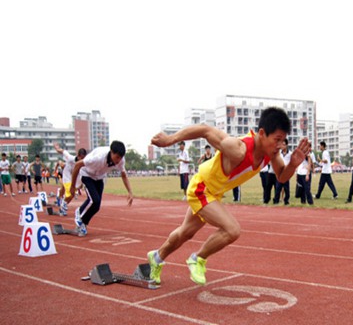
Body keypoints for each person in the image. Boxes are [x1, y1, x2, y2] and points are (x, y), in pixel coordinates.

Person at [146, 107, 310, 286]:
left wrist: (293, 165)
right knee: (232, 230)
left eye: (283, 141)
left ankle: (156, 257)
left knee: (186, 233)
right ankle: (197, 259)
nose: (279, 145)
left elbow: (281, 176)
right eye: (277, 140)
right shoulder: (239, 148)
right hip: (201, 188)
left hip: (214, 193)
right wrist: (171, 139)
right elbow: (205, 129)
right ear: (262, 133)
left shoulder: (270, 154)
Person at [70, 141, 133, 236]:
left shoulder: (120, 161)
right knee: (94, 200)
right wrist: (72, 186)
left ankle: (83, 222)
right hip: (87, 174)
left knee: (97, 205)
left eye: (120, 158)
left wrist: (130, 192)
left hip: (100, 177)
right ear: (111, 152)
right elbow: (77, 165)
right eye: (117, 157)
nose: (118, 160)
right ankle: (79, 214)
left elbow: (123, 175)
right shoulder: (97, 158)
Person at [53, 143, 87, 216]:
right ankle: (63, 206)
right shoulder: (70, 158)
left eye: (84, 158)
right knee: (70, 193)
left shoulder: (84, 163)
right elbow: (62, 151)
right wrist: (56, 148)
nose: (82, 160)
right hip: (67, 176)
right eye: (81, 158)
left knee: (72, 195)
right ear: (78, 156)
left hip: (75, 178)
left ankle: (63, 204)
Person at [273, 138, 292, 205]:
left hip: (286, 173)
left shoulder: (290, 154)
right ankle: (276, 201)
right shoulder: (278, 153)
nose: (282, 146)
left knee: (287, 189)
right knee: (278, 188)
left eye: (284, 145)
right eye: (281, 145)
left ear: (286, 145)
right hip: (280, 173)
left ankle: (286, 201)